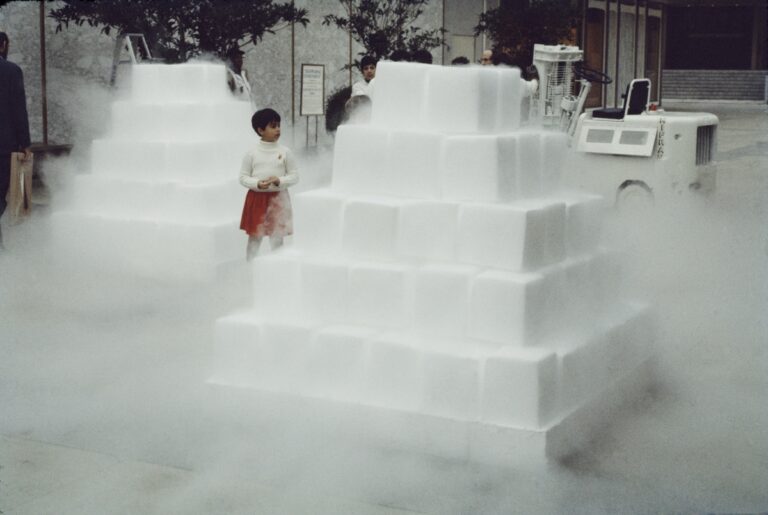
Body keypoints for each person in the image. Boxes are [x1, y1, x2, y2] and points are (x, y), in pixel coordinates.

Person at [239, 108, 298, 261]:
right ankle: (249, 267)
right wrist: (257, 184)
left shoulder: (285, 152)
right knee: (255, 237)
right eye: (273, 126)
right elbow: (243, 177)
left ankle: (277, 269)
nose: (278, 129)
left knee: (277, 237)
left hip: (278, 199)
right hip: (256, 200)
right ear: (260, 130)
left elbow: (295, 176)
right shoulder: (252, 153)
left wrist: (280, 181)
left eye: (279, 125)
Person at [0, 32, 32, 251]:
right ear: (3, 45)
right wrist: (25, 143)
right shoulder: (11, 71)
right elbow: (18, 109)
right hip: (4, 146)